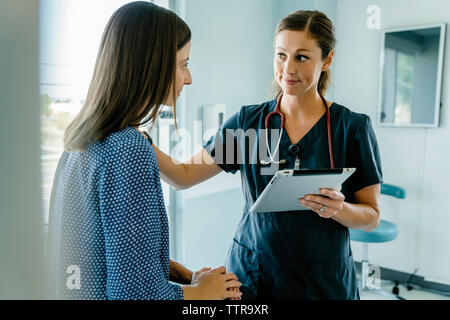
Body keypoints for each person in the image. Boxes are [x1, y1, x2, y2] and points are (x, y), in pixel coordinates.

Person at [152, 10, 383, 299]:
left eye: (302, 57)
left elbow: (371, 216)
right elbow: (182, 176)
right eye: (281, 55)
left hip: (324, 282)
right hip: (254, 276)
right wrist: (138, 137)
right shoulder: (249, 123)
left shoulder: (352, 128)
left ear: (327, 60)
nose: (288, 68)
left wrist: (340, 210)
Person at [47, 1, 242, 300]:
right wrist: (202, 294)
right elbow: (136, 293)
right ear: (153, 64)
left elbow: (113, 256)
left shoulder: (81, 139)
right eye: (184, 64)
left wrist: (187, 277)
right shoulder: (129, 149)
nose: (188, 79)